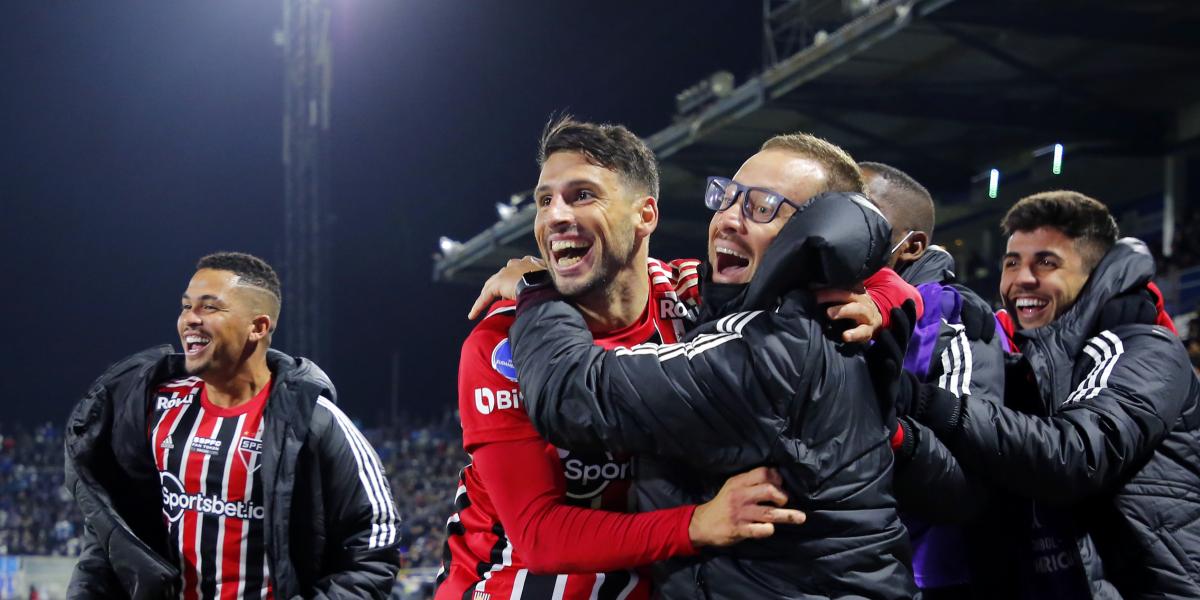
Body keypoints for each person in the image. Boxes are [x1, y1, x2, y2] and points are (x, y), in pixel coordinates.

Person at [507, 134, 918, 598]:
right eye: (727, 197)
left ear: (816, 236)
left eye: (761, 206)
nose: (727, 219)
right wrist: (890, 297)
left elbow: (573, 395)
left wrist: (535, 290)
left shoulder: (774, 345)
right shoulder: (715, 300)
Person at [436, 117, 808, 600]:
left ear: (645, 215)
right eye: (545, 200)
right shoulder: (502, 340)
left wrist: (879, 298)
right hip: (510, 586)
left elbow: (814, 272)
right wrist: (698, 524)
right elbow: (539, 535)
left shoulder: (689, 296)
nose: (555, 217)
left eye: (582, 195)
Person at [894, 191, 1200, 597]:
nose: (1022, 278)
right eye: (1012, 262)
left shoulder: (1144, 346)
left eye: (1047, 263)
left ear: (1091, 274)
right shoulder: (1014, 359)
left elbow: (1077, 455)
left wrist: (921, 399)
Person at [65, 252, 401, 599]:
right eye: (185, 306)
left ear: (258, 327)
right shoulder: (150, 408)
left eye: (209, 308)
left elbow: (375, 545)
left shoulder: (318, 423)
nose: (189, 319)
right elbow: (110, 527)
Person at [859, 162, 1005, 597]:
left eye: (863, 211)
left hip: (922, 573)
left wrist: (883, 429)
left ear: (911, 245)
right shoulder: (810, 305)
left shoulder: (948, 322)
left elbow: (964, 479)